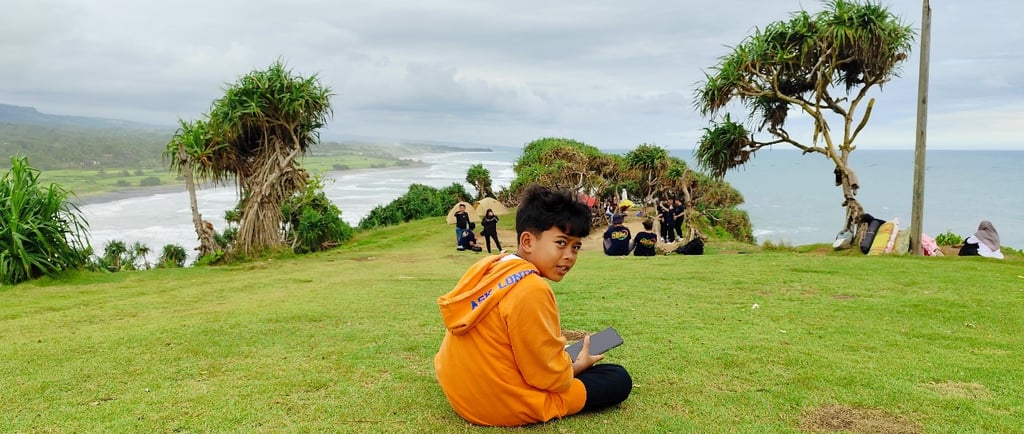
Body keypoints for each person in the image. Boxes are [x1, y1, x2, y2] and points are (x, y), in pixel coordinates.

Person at [434, 185, 632, 427]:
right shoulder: (532, 288)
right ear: (527, 241)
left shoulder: (491, 265)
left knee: (567, 356)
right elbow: (547, 379)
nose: (569, 255)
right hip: (497, 404)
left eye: (576, 247)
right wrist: (577, 365)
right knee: (617, 377)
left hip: (460, 390)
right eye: (561, 243)